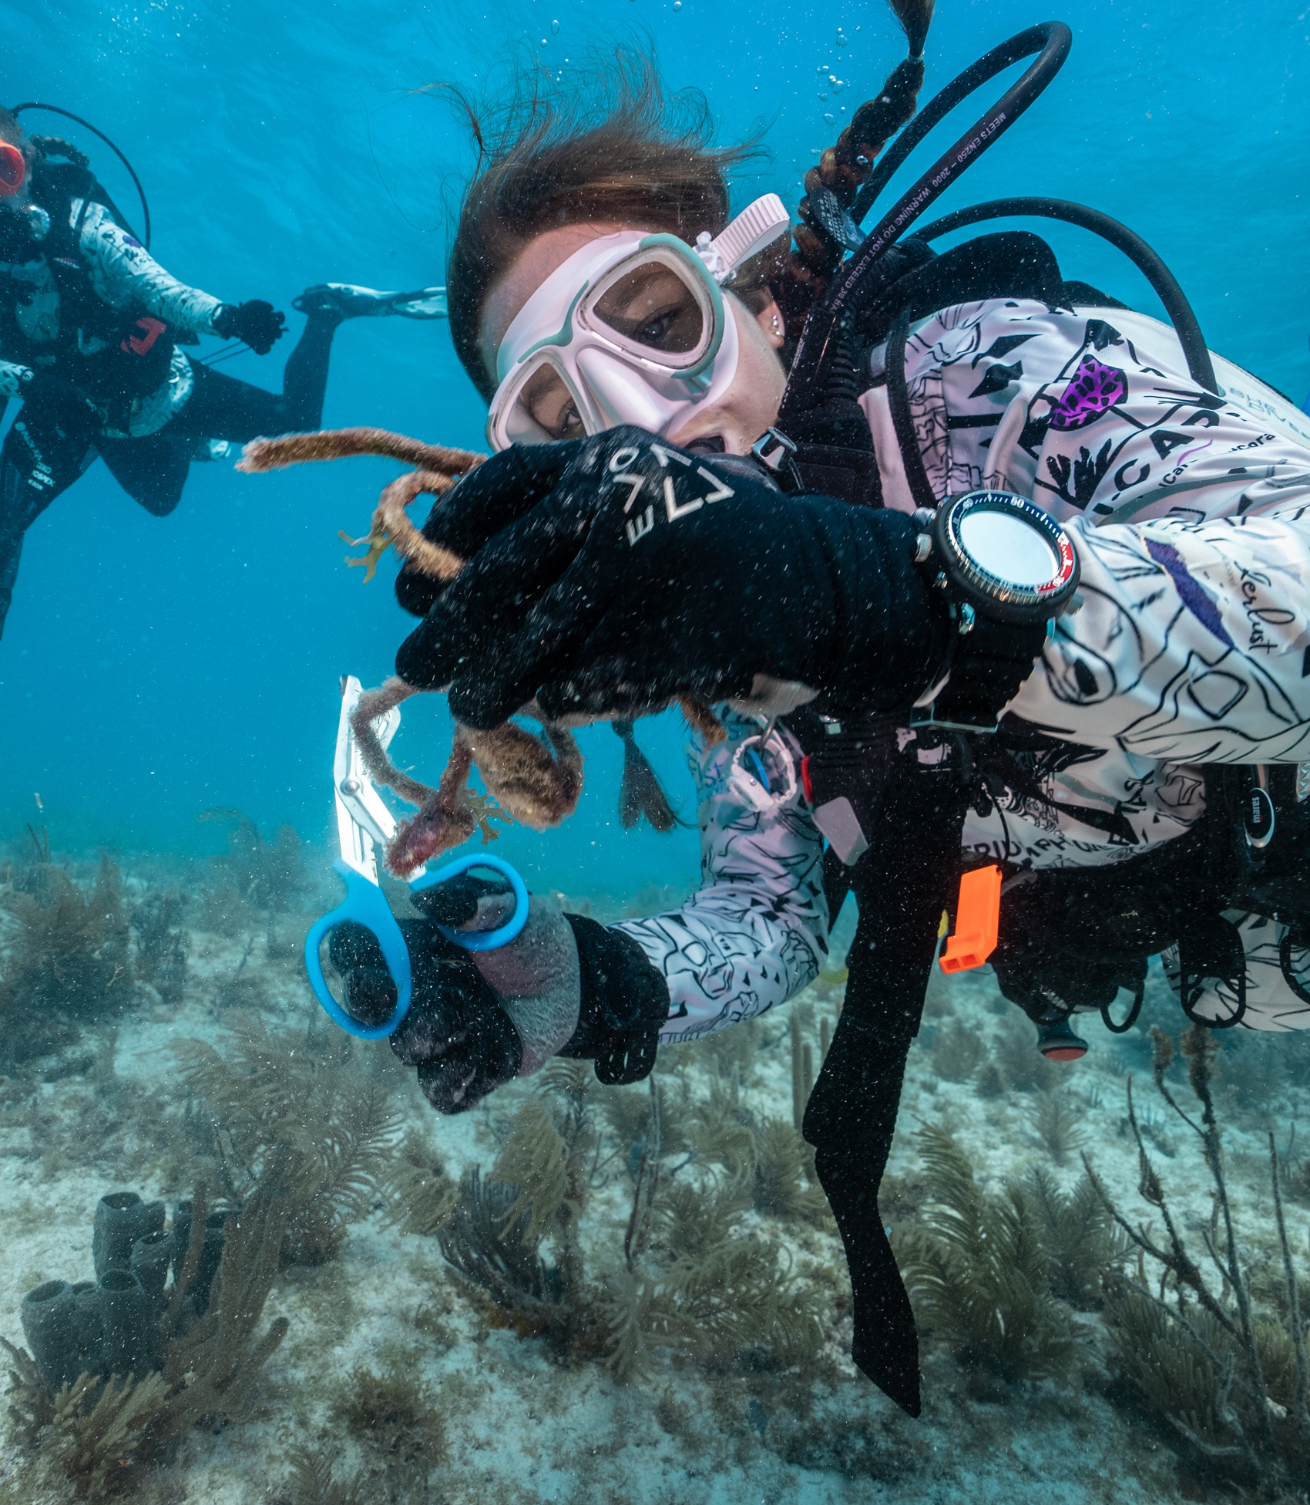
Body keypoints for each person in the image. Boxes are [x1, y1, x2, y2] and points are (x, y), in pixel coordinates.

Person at [327, 6, 1310, 1415]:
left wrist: (882, 592)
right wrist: (587, 984)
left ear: (762, 295)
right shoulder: (728, 639)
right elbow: (769, 919)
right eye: (555, 414)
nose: (637, 419)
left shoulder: (995, 377)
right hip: (1214, 957)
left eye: (653, 319)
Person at [0, 106, 446, 637]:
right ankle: (187, 443)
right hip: (71, 415)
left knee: (299, 424)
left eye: (3, 172)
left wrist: (227, 319)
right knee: (148, 503)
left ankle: (327, 312)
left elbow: (155, 285)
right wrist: (31, 383)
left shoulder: (82, 225)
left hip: (158, 391)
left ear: (29, 162)